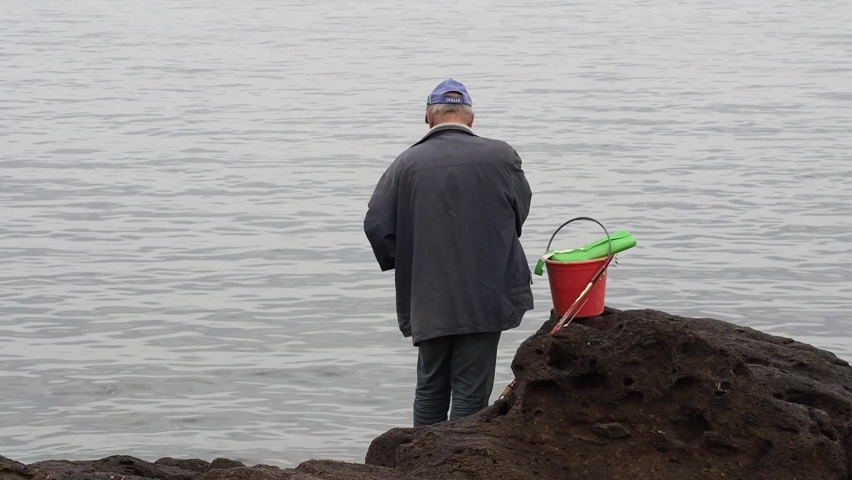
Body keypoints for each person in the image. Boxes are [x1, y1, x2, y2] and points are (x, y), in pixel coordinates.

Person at [363, 78, 534, 427]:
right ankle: (455, 464)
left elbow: (377, 225)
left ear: (429, 117)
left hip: (429, 296)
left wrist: (409, 258)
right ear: (471, 119)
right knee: (471, 392)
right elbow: (520, 211)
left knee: (430, 387)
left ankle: (420, 463)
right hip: (487, 292)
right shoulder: (502, 155)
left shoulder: (406, 163)